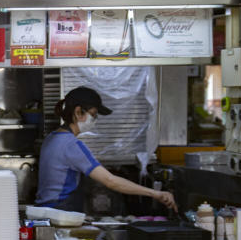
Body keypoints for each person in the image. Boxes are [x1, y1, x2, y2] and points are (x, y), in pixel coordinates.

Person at [36, 87, 178, 213]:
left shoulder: (51, 138)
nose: (95, 119)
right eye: (93, 114)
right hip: (60, 214)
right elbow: (111, 181)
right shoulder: (71, 145)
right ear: (78, 112)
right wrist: (155, 193)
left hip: (46, 212)